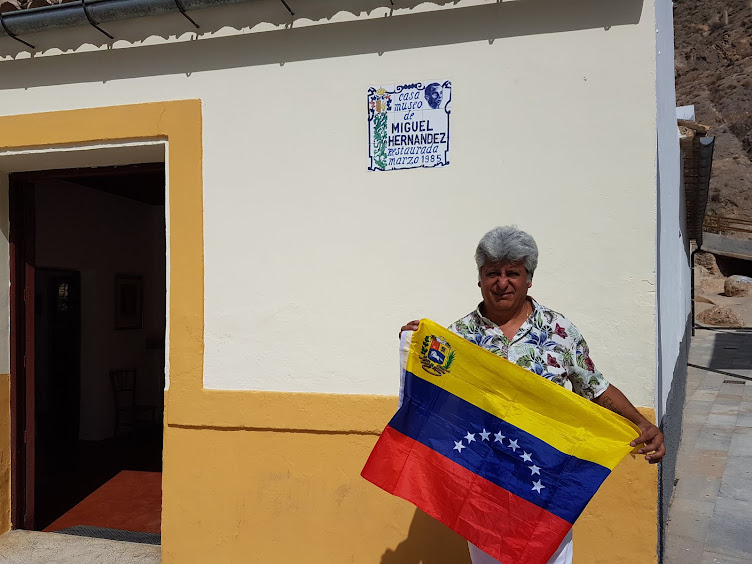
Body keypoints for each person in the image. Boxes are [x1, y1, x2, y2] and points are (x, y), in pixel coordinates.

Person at [399, 225, 665, 564]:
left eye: (513, 272)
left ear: (529, 279)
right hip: (484, 484)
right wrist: (417, 344)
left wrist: (642, 423)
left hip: (547, 480)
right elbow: (438, 395)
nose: (502, 281)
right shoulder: (460, 337)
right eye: (492, 272)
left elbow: (595, 388)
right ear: (480, 279)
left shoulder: (559, 331)